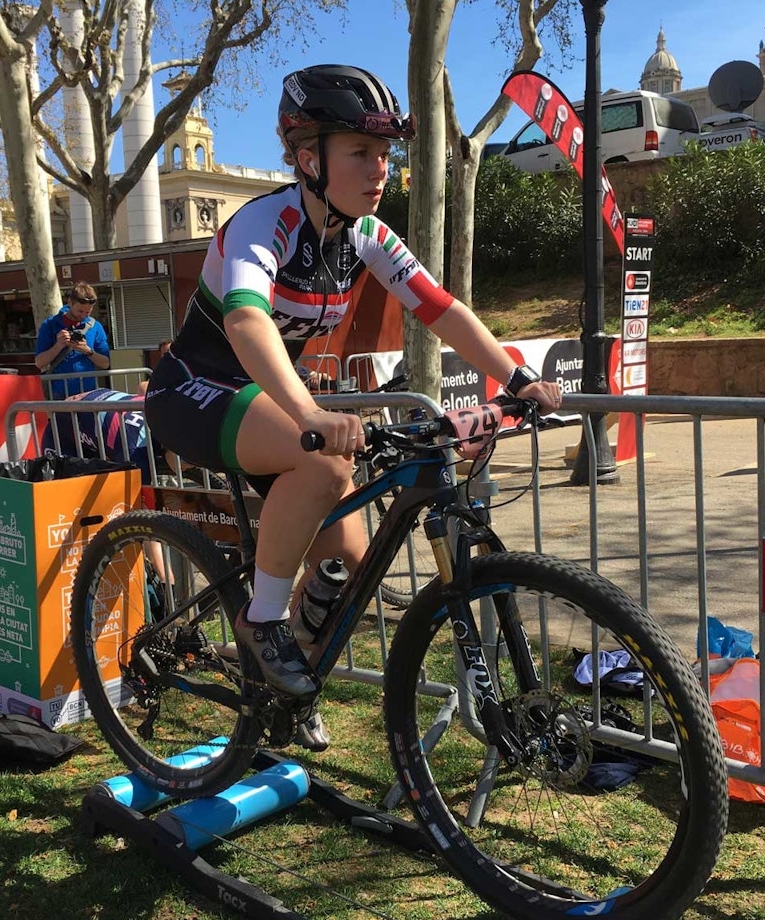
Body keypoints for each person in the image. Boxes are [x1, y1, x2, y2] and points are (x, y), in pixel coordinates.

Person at [142, 64, 562, 750]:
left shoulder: (366, 235)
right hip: (194, 388)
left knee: (346, 562)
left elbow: (442, 310)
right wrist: (310, 416)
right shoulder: (262, 225)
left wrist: (515, 380)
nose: (380, 170)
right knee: (327, 470)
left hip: (262, 397)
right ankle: (260, 621)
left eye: (386, 154)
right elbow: (247, 324)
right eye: (361, 153)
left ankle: (284, 688)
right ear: (309, 159)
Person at [34, 282, 111, 398]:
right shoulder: (50, 325)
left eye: (88, 312)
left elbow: (105, 364)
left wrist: (87, 351)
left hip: (88, 394)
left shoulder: (95, 326)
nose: (84, 315)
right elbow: (39, 363)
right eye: (80, 311)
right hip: (59, 394)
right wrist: (58, 345)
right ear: (70, 302)